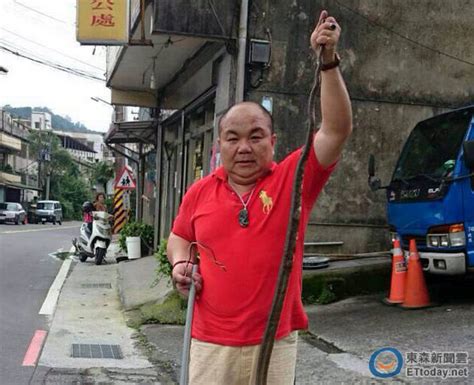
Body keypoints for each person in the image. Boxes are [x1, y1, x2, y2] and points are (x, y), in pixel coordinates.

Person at [167, 10, 352, 385]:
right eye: (232, 138)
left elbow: (335, 129)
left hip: (275, 341)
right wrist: (179, 264)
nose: (244, 147)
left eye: (255, 136)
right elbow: (180, 236)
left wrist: (328, 63)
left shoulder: (293, 178)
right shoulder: (200, 191)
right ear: (219, 146)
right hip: (209, 342)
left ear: (273, 142)